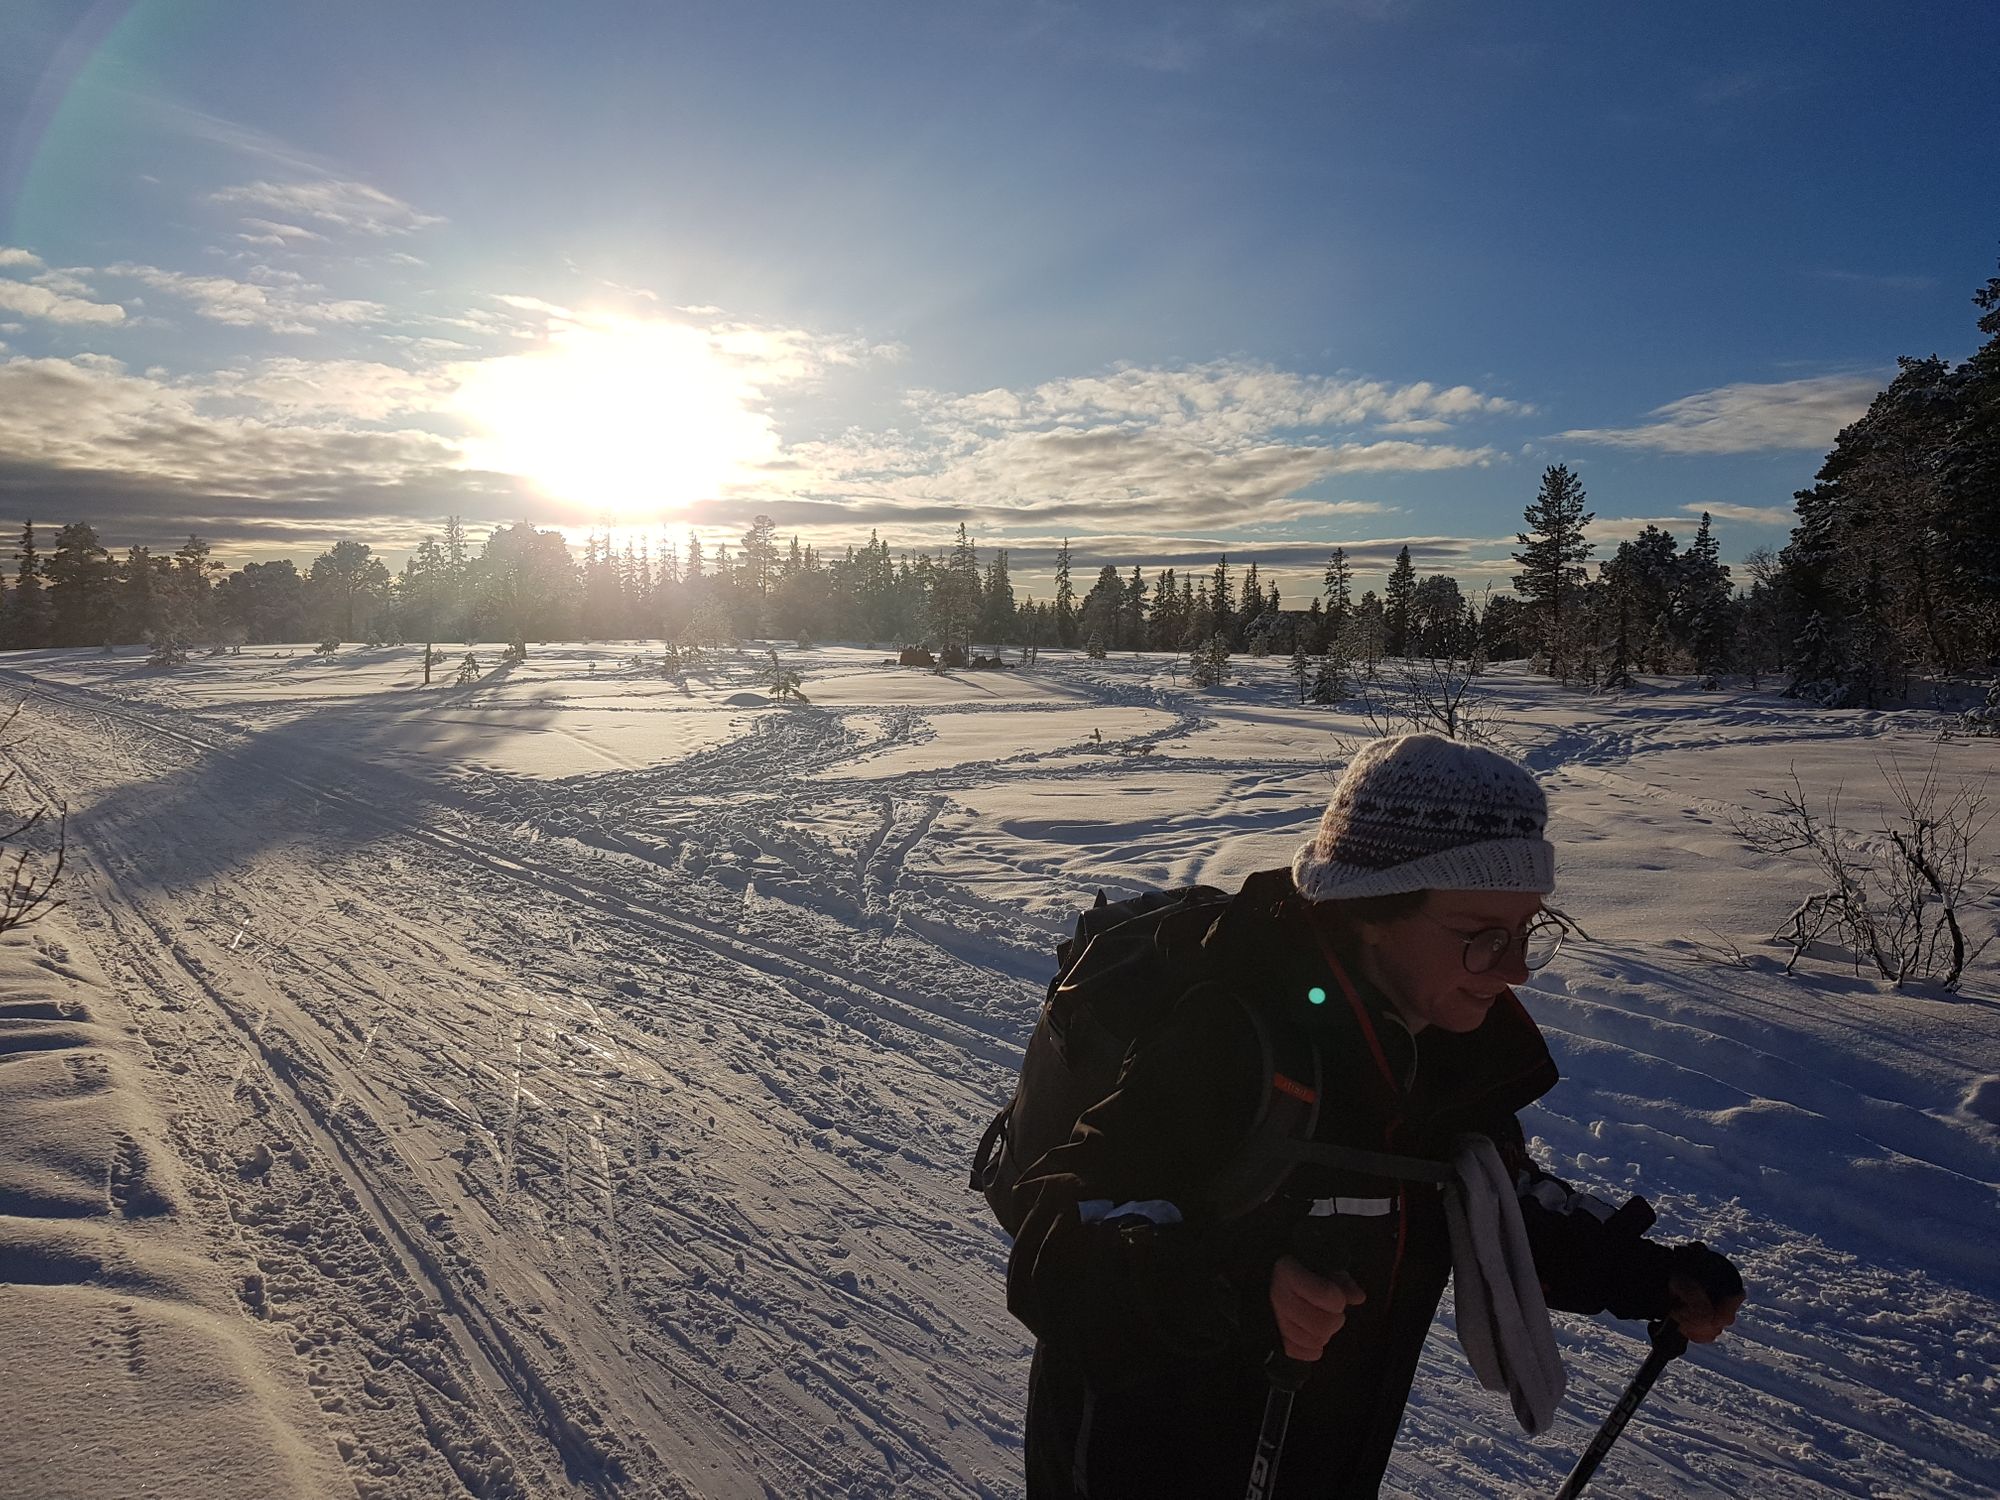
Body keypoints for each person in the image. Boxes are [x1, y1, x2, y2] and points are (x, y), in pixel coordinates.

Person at [1005, 733, 1745, 1498]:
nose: (1518, 967)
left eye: (1529, 930)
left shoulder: (1445, 1053)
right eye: (1484, 937)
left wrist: (1649, 1275)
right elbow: (1054, 1243)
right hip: (1138, 1466)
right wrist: (1241, 1283)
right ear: (1368, 910)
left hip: (1324, 1460)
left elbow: (1483, 1199)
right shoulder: (1231, 1034)